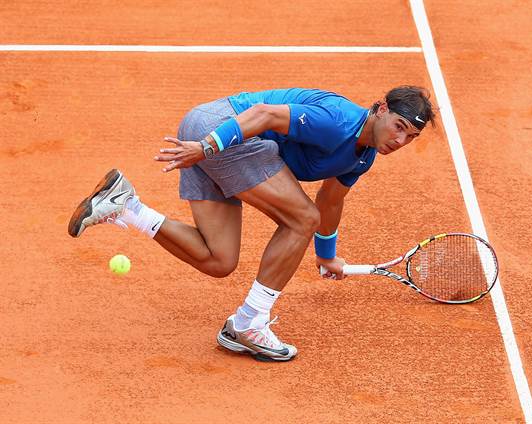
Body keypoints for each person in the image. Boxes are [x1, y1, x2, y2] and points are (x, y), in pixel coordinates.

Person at [68, 86, 436, 362]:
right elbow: (263, 115)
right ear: (382, 109)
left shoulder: (362, 157)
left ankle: (125, 206)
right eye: (398, 126)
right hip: (222, 131)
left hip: (221, 140)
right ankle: (249, 322)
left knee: (218, 259)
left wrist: (327, 257)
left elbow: (331, 200)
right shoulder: (338, 122)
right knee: (301, 219)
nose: (400, 140)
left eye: (411, 137)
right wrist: (206, 147)